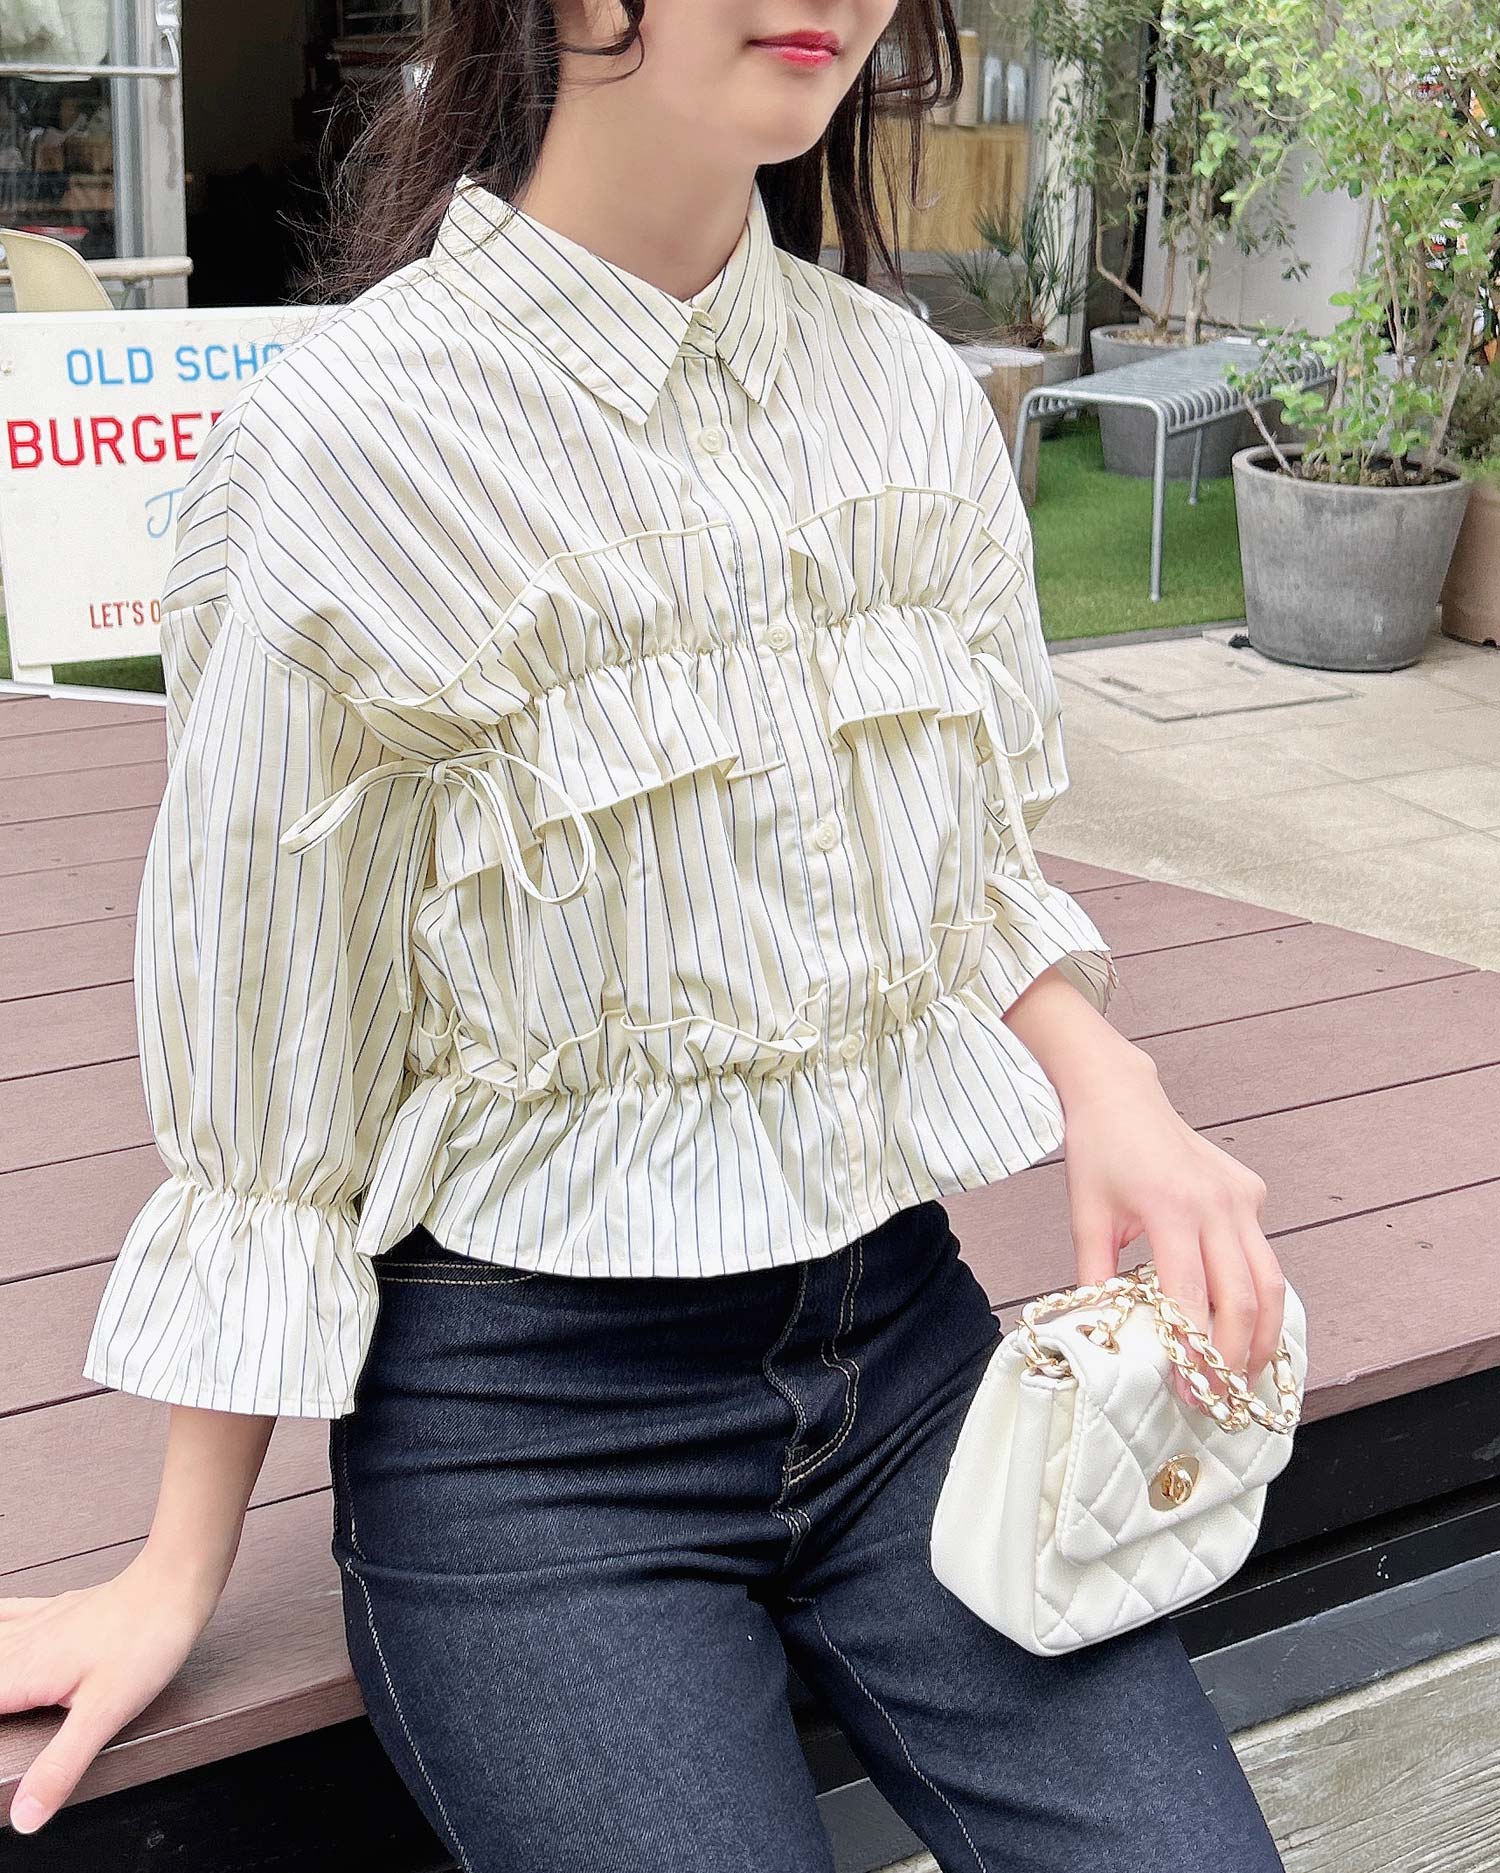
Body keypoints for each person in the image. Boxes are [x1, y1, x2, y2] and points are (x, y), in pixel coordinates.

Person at [2, 3, 1290, 1866]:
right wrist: (173, 1564)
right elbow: (271, 1054)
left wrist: (1114, 1077)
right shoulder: (343, 444)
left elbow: (959, 862)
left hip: (905, 1347)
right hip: (535, 1435)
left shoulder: (907, 395)